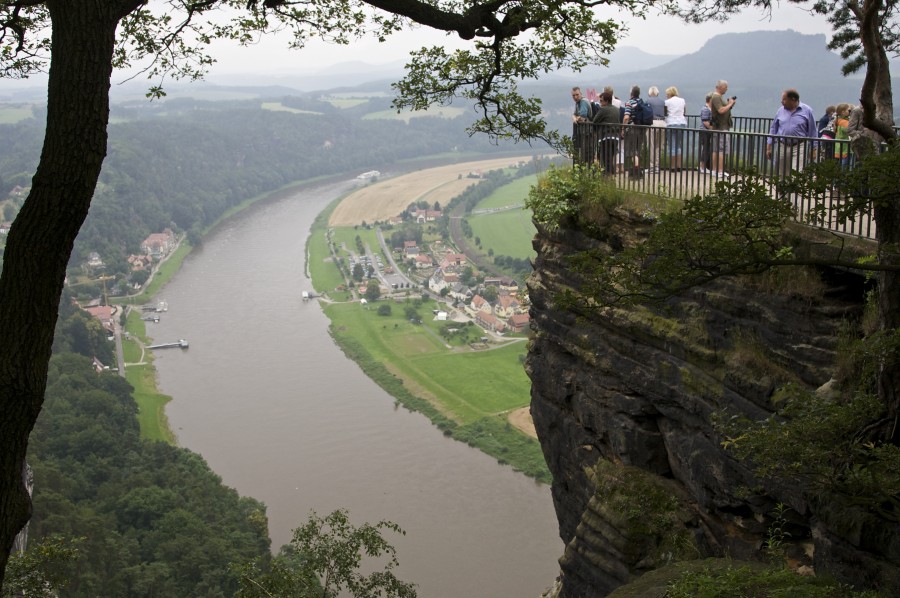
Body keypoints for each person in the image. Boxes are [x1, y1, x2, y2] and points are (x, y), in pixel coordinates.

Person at [765, 88, 818, 177]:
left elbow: (812, 131)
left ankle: (794, 190)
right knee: (781, 171)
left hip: (799, 145)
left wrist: (814, 149)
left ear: (793, 99)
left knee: (797, 171)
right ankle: (781, 190)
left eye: (784, 99)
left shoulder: (807, 110)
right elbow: (773, 129)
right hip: (782, 144)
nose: (782, 101)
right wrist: (769, 147)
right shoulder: (780, 110)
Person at [709, 79, 736, 177]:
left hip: (720, 127)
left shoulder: (718, 97)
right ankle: (719, 171)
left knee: (717, 149)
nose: (727, 89)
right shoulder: (716, 97)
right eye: (725, 87)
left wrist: (730, 105)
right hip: (721, 127)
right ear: (720, 87)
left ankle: (715, 170)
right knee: (721, 149)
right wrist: (730, 104)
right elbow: (720, 110)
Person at [592, 91, 621, 176]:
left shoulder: (603, 109)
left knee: (605, 159)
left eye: (601, 101)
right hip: (615, 137)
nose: (600, 103)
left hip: (606, 137)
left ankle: (608, 177)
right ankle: (611, 176)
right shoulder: (616, 109)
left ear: (607, 101)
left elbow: (595, 121)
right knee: (610, 158)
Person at [622, 85, 646, 179]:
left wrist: (623, 128)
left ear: (631, 93)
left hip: (632, 129)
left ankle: (636, 172)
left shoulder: (629, 102)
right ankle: (638, 171)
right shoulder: (642, 102)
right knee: (637, 150)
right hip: (641, 129)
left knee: (632, 151)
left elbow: (626, 117)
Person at [664, 86, 687, 172]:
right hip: (681, 123)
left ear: (670, 93)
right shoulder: (682, 100)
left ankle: (673, 166)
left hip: (671, 123)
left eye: (667, 94)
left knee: (672, 145)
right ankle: (679, 166)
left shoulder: (667, 102)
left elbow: (665, 113)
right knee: (678, 145)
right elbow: (684, 111)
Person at [571, 86, 594, 165]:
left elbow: (582, 116)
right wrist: (574, 117)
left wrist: (576, 118)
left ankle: (586, 170)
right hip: (583, 131)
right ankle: (585, 169)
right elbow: (574, 115)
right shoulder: (577, 103)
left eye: (577, 94)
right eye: (573, 95)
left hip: (587, 131)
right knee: (583, 151)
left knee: (586, 152)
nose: (575, 97)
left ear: (581, 93)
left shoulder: (583, 102)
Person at [646, 86, 666, 173]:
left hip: (652, 123)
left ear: (649, 93)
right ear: (657, 93)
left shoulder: (648, 101)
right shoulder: (662, 102)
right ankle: (657, 166)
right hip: (662, 123)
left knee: (651, 145)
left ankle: (651, 166)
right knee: (659, 146)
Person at [832, 103, 851, 168]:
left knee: (839, 164)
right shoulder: (844, 122)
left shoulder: (837, 120)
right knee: (845, 164)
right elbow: (850, 131)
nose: (850, 112)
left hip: (838, 145)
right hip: (845, 147)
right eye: (848, 110)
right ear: (843, 112)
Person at [698, 94, 714, 174]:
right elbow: (705, 122)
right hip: (705, 131)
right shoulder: (705, 109)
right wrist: (713, 129)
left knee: (708, 149)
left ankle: (705, 166)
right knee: (706, 149)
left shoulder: (709, 109)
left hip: (708, 131)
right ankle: (702, 167)